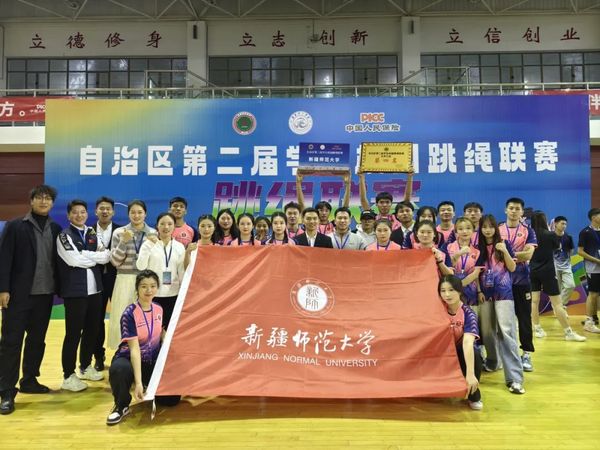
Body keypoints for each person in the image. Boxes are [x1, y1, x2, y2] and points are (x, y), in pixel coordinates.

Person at [0, 185, 61, 415]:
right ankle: (6, 391)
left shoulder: (55, 228)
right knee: (11, 342)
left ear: (52, 203)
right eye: (39, 197)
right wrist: (3, 289)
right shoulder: (15, 226)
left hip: (45, 295)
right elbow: (4, 258)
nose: (44, 201)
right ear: (31, 200)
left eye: (48, 198)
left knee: (37, 341)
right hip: (18, 296)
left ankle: (29, 380)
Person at [106, 270, 178, 425]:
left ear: (157, 288)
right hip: (129, 359)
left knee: (172, 400)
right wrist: (138, 382)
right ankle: (121, 405)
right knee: (119, 369)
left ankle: (148, 385)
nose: (148, 290)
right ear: (137, 289)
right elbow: (134, 350)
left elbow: (161, 332)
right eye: (144, 286)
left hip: (151, 360)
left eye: (152, 286)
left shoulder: (159, 309)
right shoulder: (129, 314)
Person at [57, 199, 112, 391]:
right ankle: (68, 375)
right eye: (75, 212)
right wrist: (92, 257)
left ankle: (85, 366)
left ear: (87, 214)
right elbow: (73, 260)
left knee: (92, 330)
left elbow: (106, 256)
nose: (79, 215)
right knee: (73, 334)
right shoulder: (64, 235)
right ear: (68, 215)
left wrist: (85, 255)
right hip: (75, 292)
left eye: (82, 212)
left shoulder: (91, 232)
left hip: (95, 291)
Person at [476, 214, 526, 394]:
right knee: (487, 332)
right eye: (484, 227)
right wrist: (479, 291)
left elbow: (512, 267)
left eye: (491, 226)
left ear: (496, 228)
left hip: (504, 294)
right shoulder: (478, 247)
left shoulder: (505, 244)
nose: (487, 230)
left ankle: (515, 378)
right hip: (485, 295)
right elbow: (476, 272)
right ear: (480, 229)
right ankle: (492, 362)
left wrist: (504, 251)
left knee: (507, 332)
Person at [529, 212, 586, 342]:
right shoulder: (550, 234)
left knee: (534, 302)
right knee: (558, 304)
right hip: (548, 272)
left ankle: (537, 329)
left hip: (532, 271)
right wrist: (550, 233)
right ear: (544, 220)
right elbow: (557, 247)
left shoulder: (529, 234)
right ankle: (568, 332)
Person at [108, 200, 156, 350]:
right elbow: (115, 261)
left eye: (140, 212)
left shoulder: (153, 233)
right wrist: (123, 242)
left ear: (145, 214)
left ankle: (143, 352)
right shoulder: (119, 232)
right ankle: (121, 352)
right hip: (124, 280)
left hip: (145, 281)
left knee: (143, 318)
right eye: (133, 212)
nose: (136, 215)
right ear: (128, 214)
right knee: (122, 317)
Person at [499, 197, 537, 372]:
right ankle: (500, 353)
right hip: (501, 281)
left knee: (524, 317)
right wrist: (517, 254)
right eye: (511, 208)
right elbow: (493, 254)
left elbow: (529, 255)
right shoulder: (498, 229)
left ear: (522, 212)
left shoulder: (528, 231)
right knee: (500, 319)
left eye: (517, 209)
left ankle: (526, 353)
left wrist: (506, 254)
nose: (514, 211)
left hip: (522, 281)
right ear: (506, 210)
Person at [438, 275, 483, 410]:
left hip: (460, 352)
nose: (447, 294)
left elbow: (468, 343)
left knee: (475, 354)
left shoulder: (468, 314)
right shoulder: (437, 311)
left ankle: (473, 395)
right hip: (441, 352)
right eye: (443, 290)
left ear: (459, 291)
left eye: (451, 290)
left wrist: (470, 374)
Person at [136, 213, 185, 331]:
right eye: (162, 224)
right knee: (151, 329)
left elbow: (181, 273)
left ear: (174, 226)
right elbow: (140, 267)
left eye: (169, 224)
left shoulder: (179, 247)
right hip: (151, 294)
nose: (166, 227)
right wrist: (148, 245)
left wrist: (183, 293)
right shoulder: (148, 244)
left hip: (172, 294)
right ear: (157, 226)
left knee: (169, 329)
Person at [93, 196, 122, 372]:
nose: (105, 211)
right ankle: (98, 355)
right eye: (101, 208)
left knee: (120, 317)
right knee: (96, 320)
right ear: (96, 211)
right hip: (94, 280)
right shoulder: (88, 231)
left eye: (108, 209)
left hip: (117, 279)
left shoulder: (121, 231)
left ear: (113, 211)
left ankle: (121, 355)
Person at [444, 218, 482, 307]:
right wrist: (458, 254)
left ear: (473, 231)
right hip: (451, 290)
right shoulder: (448, 247)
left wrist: (479, 291)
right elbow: (446, 268)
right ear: (456, 231)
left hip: (470, 291)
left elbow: (475, 275)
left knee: (471, 314)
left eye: (468, 228)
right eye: (460, 229)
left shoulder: (477, 251)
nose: (464, 231)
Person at [577, 207, 600, 333]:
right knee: (593, 294)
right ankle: (589, 322)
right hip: (593, 269)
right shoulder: (585, 232)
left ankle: (594, 318)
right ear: (594, 217)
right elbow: (580, 252)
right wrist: (596, 260)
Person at [552, 216, 576, 310]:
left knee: (570, 285)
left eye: (565, 224)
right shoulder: (550, 236)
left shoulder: (568, 236)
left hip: (566, 266)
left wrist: (567, 260)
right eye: (562, 223)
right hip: (553, 266)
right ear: (555, 224)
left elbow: (571, 250)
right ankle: (559, 309)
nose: (564, 226)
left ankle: (559, 305)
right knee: (556, 289)